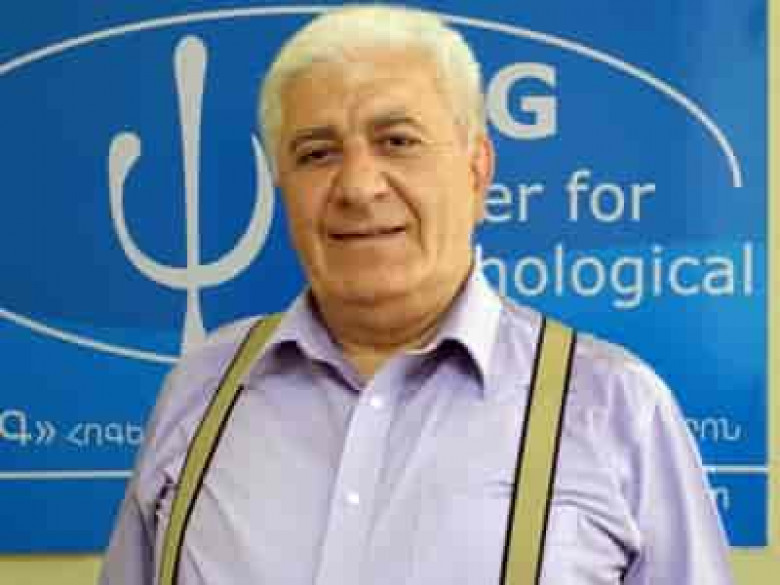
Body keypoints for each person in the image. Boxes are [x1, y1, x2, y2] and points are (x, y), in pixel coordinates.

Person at [100, 5, 734, 584]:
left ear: (477, 170)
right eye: (317, 153)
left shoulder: (617, 409)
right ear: (282, 185)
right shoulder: (200, 391)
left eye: (397, 142)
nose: (358, 186)